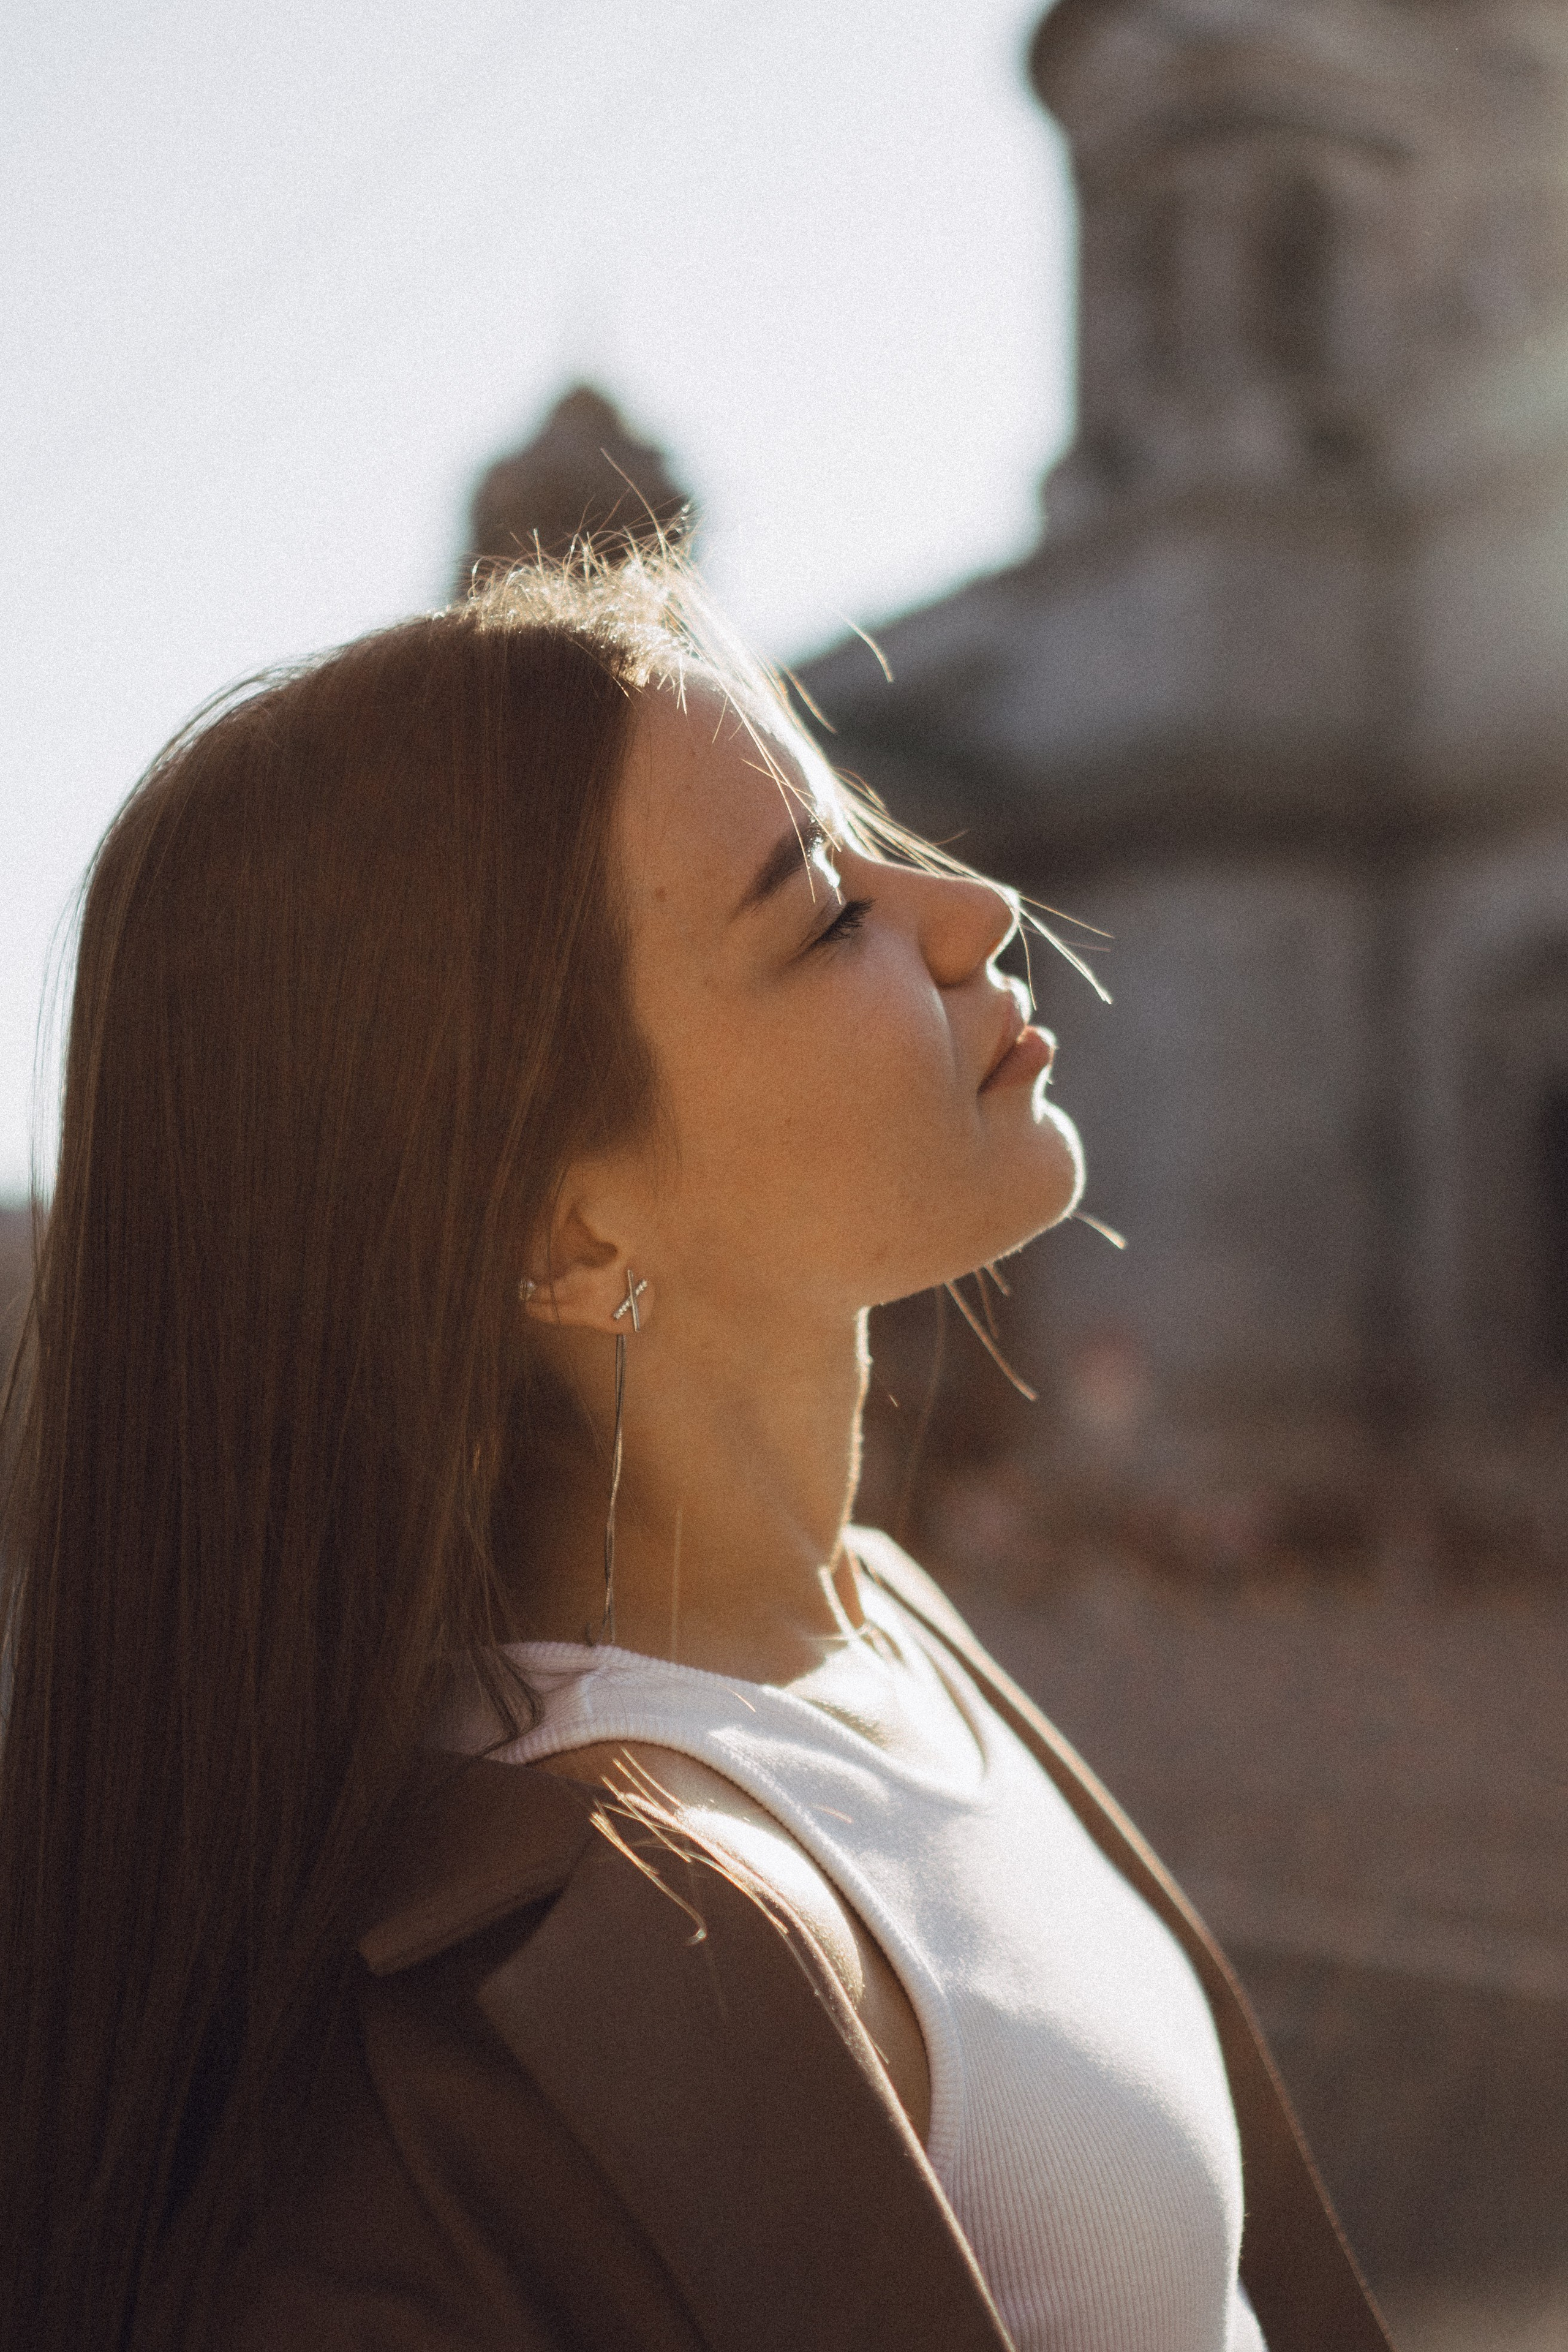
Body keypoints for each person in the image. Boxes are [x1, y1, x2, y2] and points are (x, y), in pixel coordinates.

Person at [0, 550, 1390, 2352]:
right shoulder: (518, 2006)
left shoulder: (875, 1630)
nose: (971, 907)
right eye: (819, 913)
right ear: (565, 1236)